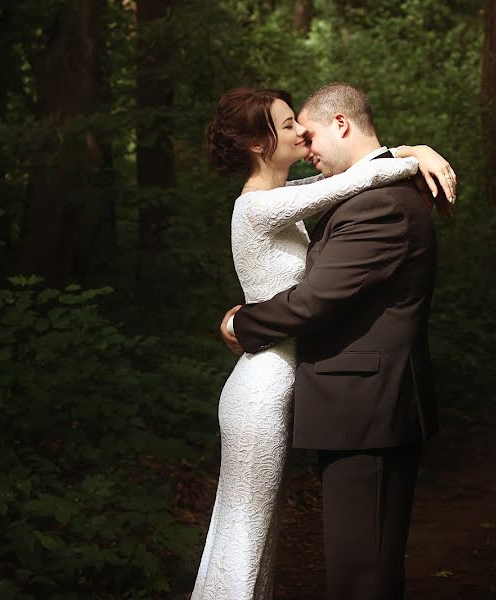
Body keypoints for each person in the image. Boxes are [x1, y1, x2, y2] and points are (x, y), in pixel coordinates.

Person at [193, 85, 454, 600]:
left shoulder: (370, 202)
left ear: (340, 124)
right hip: (270, 384)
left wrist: (238, 325)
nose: (302, 140)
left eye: (304, 130)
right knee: (248, 531)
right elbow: (363, 173)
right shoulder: (271, 204)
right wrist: (411, 153)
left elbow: (314, 301)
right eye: (289, 128)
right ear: (259, 144)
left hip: (359, 403)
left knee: (340, 567)